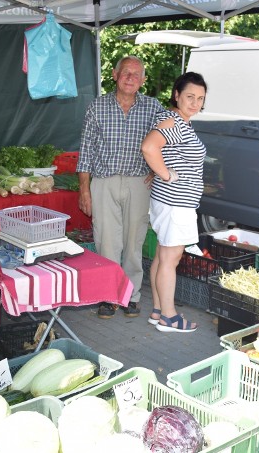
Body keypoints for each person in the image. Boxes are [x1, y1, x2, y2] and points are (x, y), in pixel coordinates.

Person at [76, 56, 164, 319]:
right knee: (106, 241)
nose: (130, 78)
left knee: (134, 242)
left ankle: (131, 296)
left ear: (143, 80)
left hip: (140, 183)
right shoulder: (97, 107)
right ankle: (109, 296)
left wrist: (155, 168)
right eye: (126, 72)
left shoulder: (153, 107)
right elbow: (85, 151)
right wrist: (84, 189)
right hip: (104, 182)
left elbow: (167, 141)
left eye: (136, 74)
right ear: (114, 75)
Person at [141, 72, 208, 332]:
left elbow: (163, 152)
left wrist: (164, 171)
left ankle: (158, 311)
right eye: (189, 96)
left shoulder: (178, 121)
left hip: (171, 202)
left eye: (200, 98)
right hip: (175, 203)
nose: (195, 103)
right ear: (177, 94)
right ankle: (169, 318)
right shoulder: (173, 122)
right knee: (170, 259)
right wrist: (166, 174)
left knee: (162, 256)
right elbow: (149, 147)